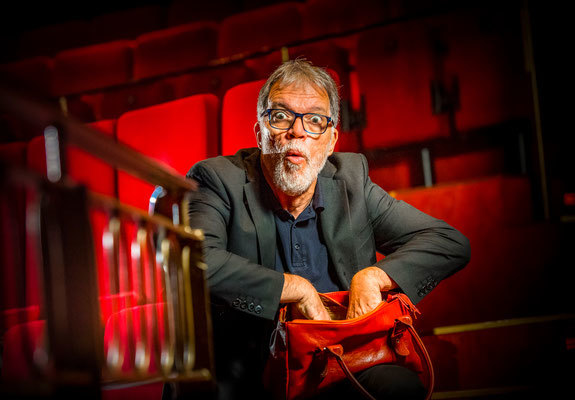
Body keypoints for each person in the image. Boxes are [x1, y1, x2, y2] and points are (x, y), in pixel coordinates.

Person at [166, 60, 470, 400]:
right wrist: (295, 289)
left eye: (314, 120)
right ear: (260, 132)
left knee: (399, 388)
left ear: (331, 141)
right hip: (251, 368)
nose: (297, 131)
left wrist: (373, 277)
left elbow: (449, 242)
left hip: (341, 362)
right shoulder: (216, 179)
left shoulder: (351, 180)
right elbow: (194, 261)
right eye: (281, 116)